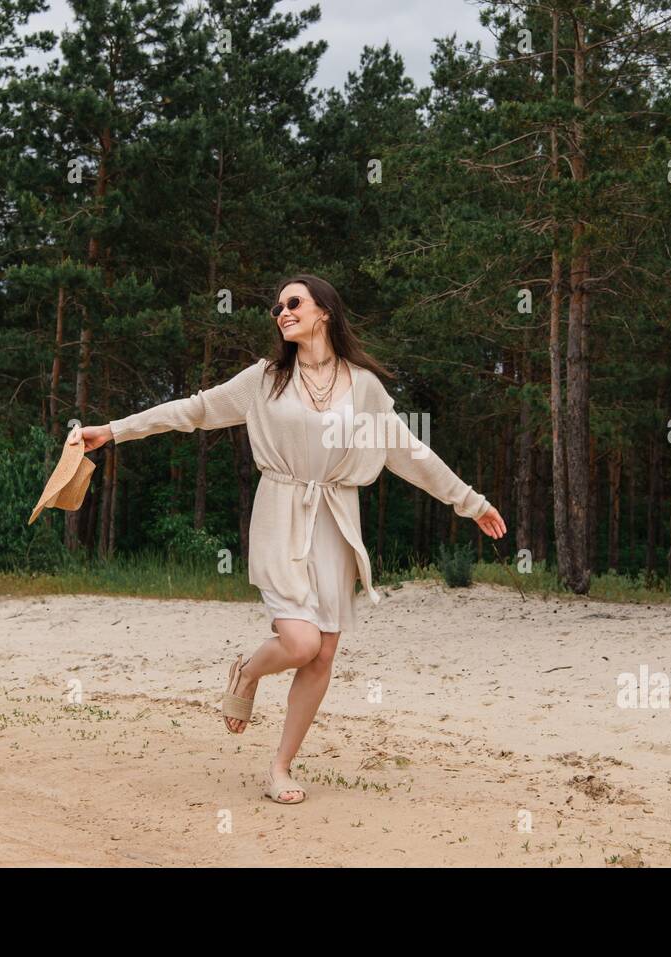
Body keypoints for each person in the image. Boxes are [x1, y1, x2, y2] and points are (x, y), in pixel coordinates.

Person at [78, 274, 506, 804]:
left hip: (336, 519)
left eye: (294, 302)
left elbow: (409, 453)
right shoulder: (266, 379)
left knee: (322, 655)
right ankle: (248, 671)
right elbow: (193, 410)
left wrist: (471, 502)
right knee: (300, 643)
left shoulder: (364, 387)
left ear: (324, 310)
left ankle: (281, 766)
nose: (282, 311)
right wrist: (114, 430)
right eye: (278, 306)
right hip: (281, 512)